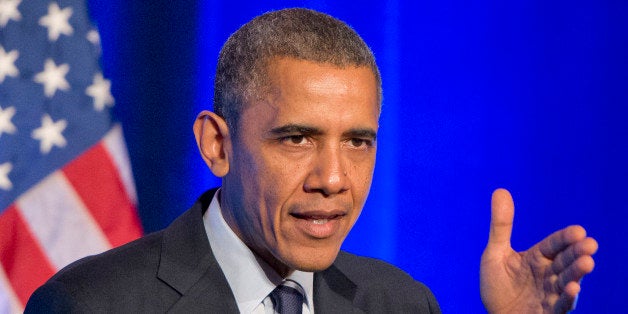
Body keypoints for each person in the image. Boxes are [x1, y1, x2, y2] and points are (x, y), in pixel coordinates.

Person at [25, 8, 598, 313]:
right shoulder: (91, 306)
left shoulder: (399, 303)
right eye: (296, 139)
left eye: (358, 142)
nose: (333, 180)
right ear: (217, 146)